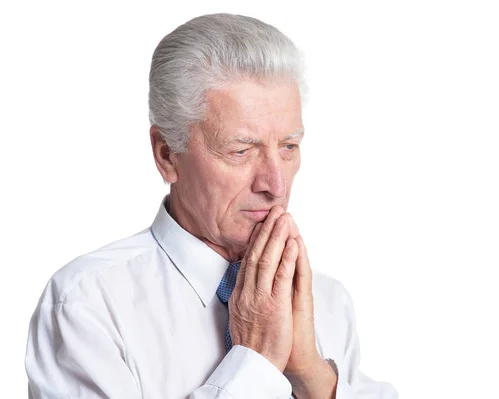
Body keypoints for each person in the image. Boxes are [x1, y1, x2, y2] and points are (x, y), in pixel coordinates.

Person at [25, 13, 398, 399]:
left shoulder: (327, 300)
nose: (276, 184)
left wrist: (313, 377)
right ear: (167, 155)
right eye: (241, 150)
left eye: (289, 147)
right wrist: (256, 363)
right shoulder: (87, 305)